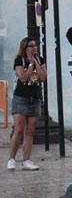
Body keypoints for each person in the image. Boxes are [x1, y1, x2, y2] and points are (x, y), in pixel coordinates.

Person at [7, 37, 46, 170]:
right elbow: (22, 77)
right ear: (25, 48)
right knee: (18, 129)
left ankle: (27, 160)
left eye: (35, 45)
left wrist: (35, 62)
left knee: (30, 131)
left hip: (34, 98)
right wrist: (30, 65)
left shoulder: (40, 59)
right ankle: (12, 159)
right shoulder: (19, 60)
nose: (34, 48)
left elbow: (43, 77)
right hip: (21, 98)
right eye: (31, 46)